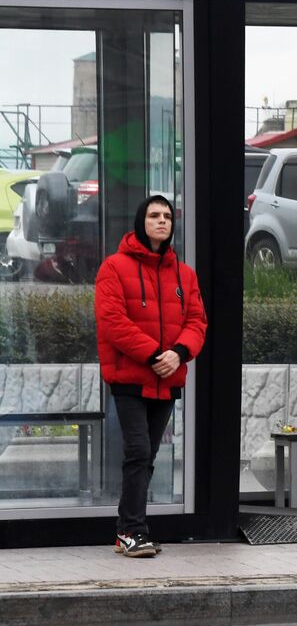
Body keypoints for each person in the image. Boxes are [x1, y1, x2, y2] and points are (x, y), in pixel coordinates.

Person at [95, 195, 207, 558]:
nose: (162, 221)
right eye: (154, 215)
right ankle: (130, 531)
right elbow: (112, 322)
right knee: (139, 451)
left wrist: (178, 353)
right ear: (140, 221)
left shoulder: (184, 274)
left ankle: (130, 530)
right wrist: (154, 354)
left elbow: (197, 322)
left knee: (147, 455)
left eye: (167, 216)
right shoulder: (114, 267)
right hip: (130, 378)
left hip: (167, 379)